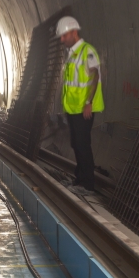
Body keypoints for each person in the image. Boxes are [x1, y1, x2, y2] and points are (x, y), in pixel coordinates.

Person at [55, 16, 104, 194]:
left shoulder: (87, 51)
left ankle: (88, 185)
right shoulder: (72, 54)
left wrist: (88, 103)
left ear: (74, 32)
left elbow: (95, 76)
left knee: (83, 144)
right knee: (76, 144)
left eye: (64, 35)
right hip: (73, 109)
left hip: (84, 109)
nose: (62, 40)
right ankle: (79, 179)